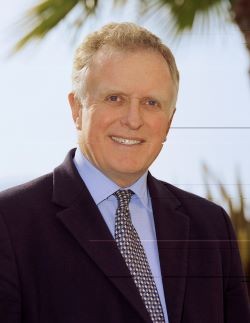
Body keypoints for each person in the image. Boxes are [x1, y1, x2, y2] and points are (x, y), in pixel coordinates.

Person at [0, 22, 249, 323]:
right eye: (114, 98)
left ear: (169, 122)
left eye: (151, 103)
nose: (134, 120)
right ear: (76, 109)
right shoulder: (11, 223)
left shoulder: (210, 227)